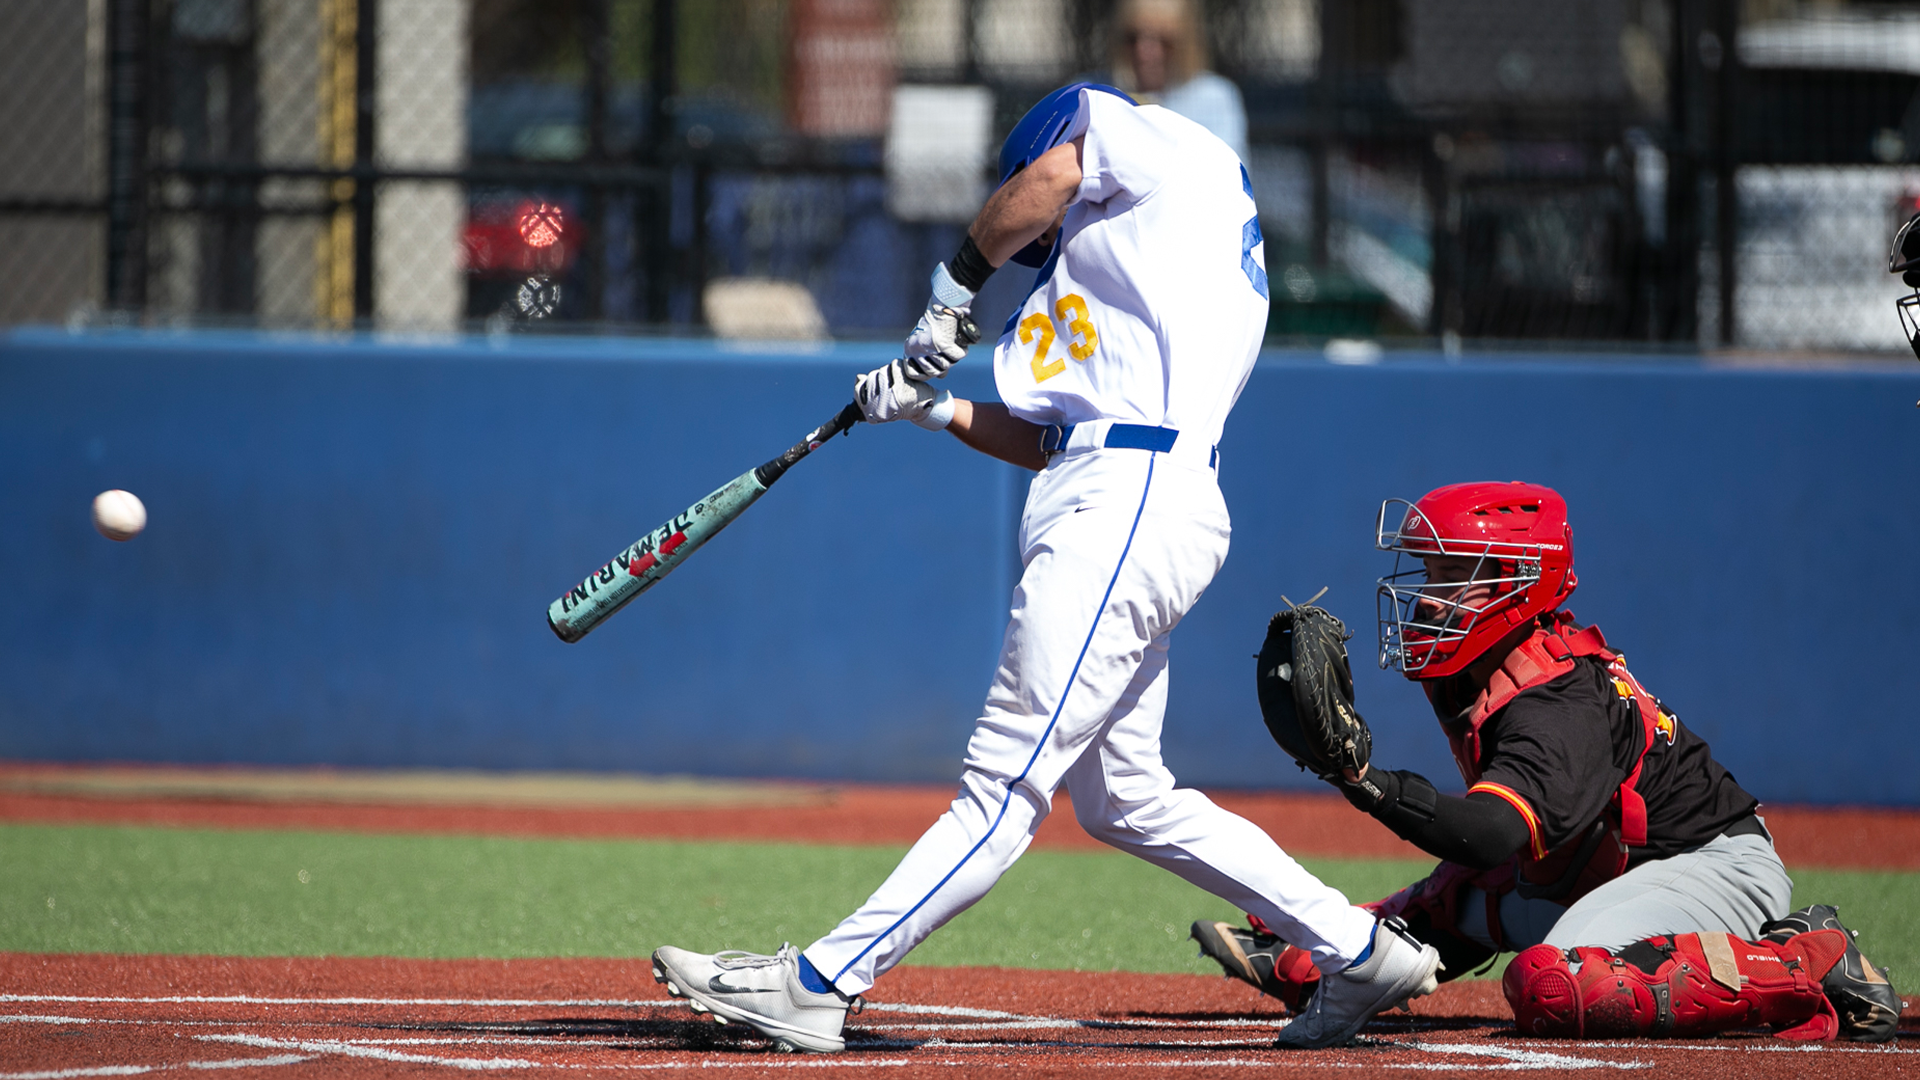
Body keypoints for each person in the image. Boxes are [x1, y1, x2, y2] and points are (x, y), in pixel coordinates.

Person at [649, 82, 1441, 1054]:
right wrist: (935, 409)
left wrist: (952, 290)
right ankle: (1358, 948)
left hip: (1127, 503)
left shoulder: (1158, 147)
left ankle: (820, 983)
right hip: (1127, 491)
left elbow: (1055, 175)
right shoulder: (1160, 249)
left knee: (1003, 786)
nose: (1053, 235)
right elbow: (1054, 439)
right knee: (1126, 799)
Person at [1192, 481, 1902, 1042]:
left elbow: (1490, 834)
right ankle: (1332, 951)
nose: (1428, 597)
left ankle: (1809, 959)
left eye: (1452, 574)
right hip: (1606, 863)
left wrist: (1365, 783)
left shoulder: (1557, 697)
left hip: (1708, 865)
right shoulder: (1477, 665)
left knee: (1556, 986)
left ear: (1518, 580)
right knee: (1461, 899)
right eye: (1430, 572)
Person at [1107, 0, 1248, 161]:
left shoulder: (1214, 98)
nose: (1144, 52)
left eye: (1164, 41)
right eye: (1133, 38)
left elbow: (1228, 171)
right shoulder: (1097, 93)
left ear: (1187, 43)